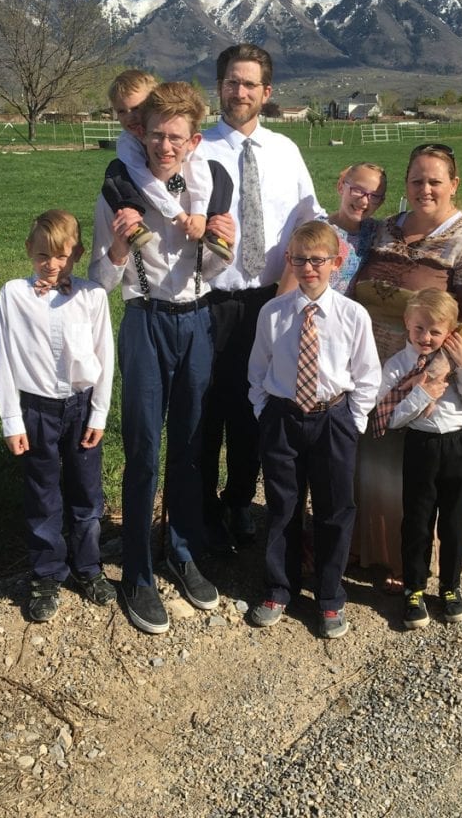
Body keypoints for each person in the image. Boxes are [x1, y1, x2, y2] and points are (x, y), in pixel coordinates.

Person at [89, 82, 236, 635]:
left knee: (193, 443)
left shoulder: (207, 188)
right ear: (141, 133)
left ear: (194, 139)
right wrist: (121, 248)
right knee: (145, 445)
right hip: (146, 320)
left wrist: (222, 243)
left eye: (176, 137)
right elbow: (101, 281)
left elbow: (219, 270)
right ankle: (137, 572)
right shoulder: (119, 189)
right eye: (156, 135)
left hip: (197, 320)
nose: (165, 146)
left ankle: (181, 548)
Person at [349, 143, 462, 593]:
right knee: (368, 467)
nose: (425, 189)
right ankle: (365, 548)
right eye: (417, 180)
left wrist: (428, 378)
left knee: (409, 482)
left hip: (419, 381)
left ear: (454, 184)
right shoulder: (384, 230)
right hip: (370, 372)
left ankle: (404, 558)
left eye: (436, 180)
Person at [200, 43, 322, 547]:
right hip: (208, 300)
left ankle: (238, 502)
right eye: (232, 81)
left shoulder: (285, 152)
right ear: (220, 86)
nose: (240, 91)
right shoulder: (198, 149)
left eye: (250, 83)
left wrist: (293, 293)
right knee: (207, 409)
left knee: (258, 407)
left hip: (269, 301)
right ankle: (200, 509)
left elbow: (308, 222)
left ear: (267, 92)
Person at [247, 221, 381, 639]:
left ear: (336, 263)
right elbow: (258, 368)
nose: (308, 268)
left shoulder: (352, 315)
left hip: (332, 419)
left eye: (318, 260)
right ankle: (279, 587)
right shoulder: (273, 313)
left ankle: (328, 595)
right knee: (283, 505)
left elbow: (366, 374)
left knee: (335, 509)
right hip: (283, 419)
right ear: (289, 261)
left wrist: (352, 421)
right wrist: (263, 410)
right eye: (300, 259)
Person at [0, 210, 115, 623]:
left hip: (81, 408)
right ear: (29, 250)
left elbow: (105, 358)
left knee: (86, 492)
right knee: (42, 494)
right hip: (36, 409)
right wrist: (12, 419)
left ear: (76, 254)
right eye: (43, 254)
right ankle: (47, 573)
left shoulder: (92, 297)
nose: (52, 263)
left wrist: (99, 413)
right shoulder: (12, 295)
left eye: (61, 255)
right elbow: (4, 360)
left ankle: (88, 567)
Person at [373, 288, 462, 629]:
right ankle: (414, 588)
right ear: (407, 323)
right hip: (421, 447)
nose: (426, 337)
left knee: (456, 521)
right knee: (417, 520)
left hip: (459, 446)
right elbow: (389, 417)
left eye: (435, 331)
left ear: (449, 331)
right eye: (419, 328)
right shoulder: (397, 366)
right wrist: (421, 393)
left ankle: (450, 587)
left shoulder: (456, 358)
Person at [102, 69, 233, 260]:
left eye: (137, 108)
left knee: (217, 172)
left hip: (191, 201)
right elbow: (145, 178)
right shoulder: (127, 144)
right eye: (122, 111)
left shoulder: (183, 137)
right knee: (116, 173)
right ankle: (133, 222)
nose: (131, 117)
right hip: (142, 188)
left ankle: (215, 228)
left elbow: (199, 168)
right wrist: (179, 214)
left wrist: (199, 213)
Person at [325, 162, 387, 293]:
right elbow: (290, 291)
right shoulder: (318, 233)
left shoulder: (377, 231)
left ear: (381, 202)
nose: (364, 201)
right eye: (358, 190)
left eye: (374, 196)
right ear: (341, 187)